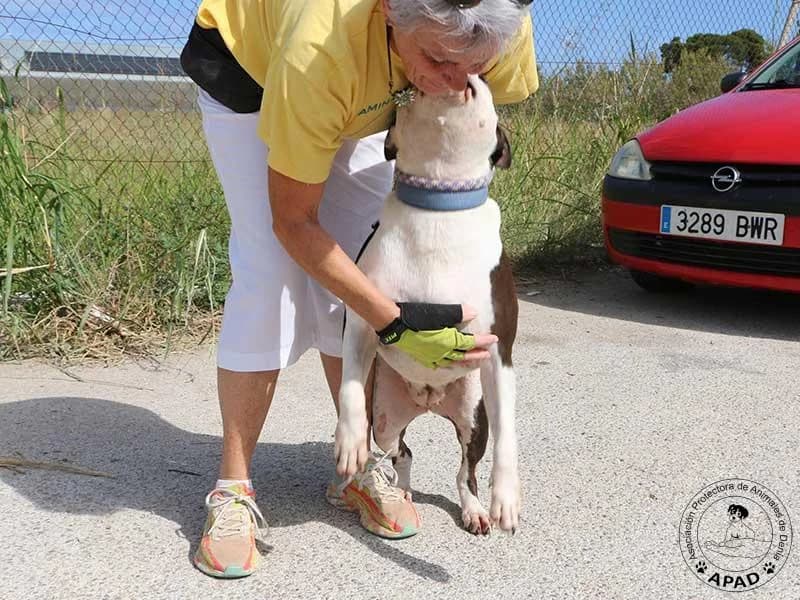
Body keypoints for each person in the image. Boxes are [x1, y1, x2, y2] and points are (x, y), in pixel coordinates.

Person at [180, 0, 538, 578]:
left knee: (358, 253)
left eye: (473, 66)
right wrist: (394, 324)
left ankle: (362, 461)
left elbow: (479, 101)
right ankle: (233, 488)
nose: (455, 81)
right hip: (255, 70)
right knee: (272, 273)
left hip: (368, 80)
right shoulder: (322, 47)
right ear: (390, 11)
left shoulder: (498, 20)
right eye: (438, 59)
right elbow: (294, 221)